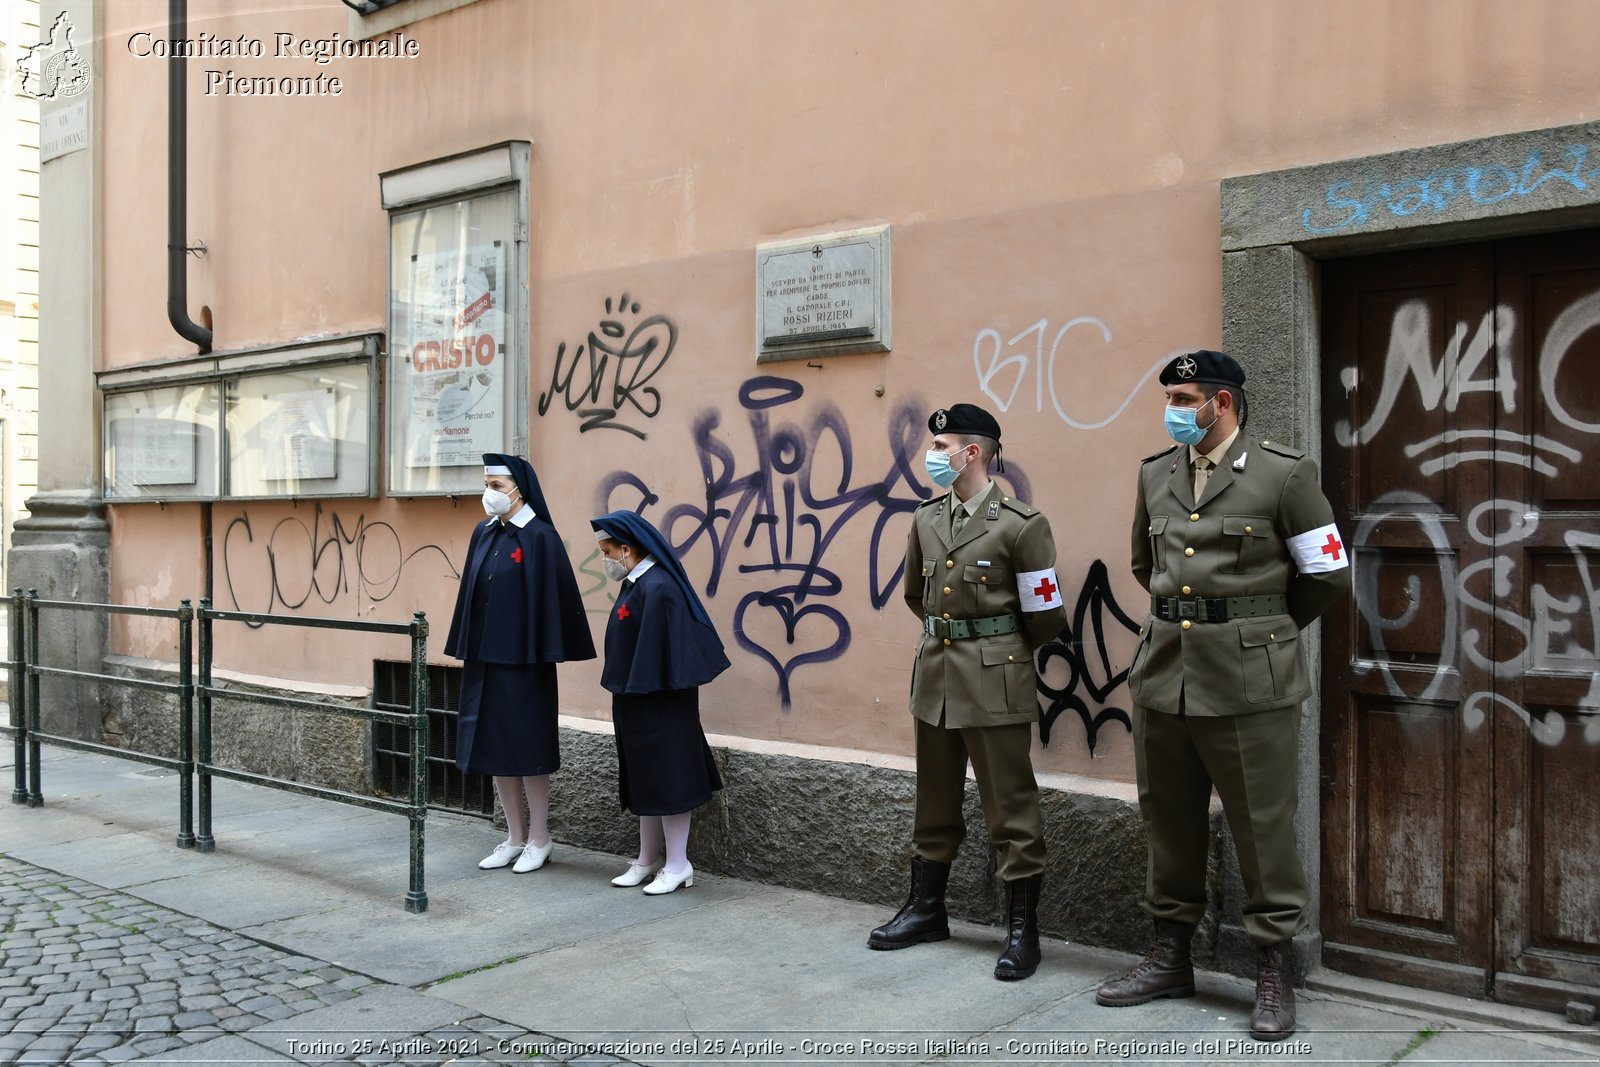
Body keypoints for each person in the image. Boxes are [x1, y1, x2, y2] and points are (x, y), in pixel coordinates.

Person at [1098, 350, 1351, 1040]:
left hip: (1250, 681)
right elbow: (1144, 564)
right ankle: (1170, 954)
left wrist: (1261, 632)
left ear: (1223, 404)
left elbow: (1327, 574)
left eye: (1184, 398)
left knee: (1263, 827)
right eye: (1173, 399)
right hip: (1165, 676)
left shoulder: (1283, 472)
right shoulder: (1157, 474)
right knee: (1169, 818)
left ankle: (1273, 968)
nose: (1174, 410)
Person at [868, 402, 1068, 981]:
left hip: (995, 677)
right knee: (934, 801)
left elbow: (1046, 614)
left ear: (972, 453)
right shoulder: (927, 519)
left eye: (942, 447)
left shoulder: (1021, 525)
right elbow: (914, 594)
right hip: (935, 674)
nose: (933, 457)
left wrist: (991, 646)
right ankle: (927, 908)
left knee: (1010, 807)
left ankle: (1022, 931)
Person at [444, 454, 596, 874]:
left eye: (496, 485)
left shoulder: (541, 537)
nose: (489, 493)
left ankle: (540, 838)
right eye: (487, 484)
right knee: (494, 747)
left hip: (525, 661)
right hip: (486, 658)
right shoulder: (483, 532)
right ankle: (514, 836)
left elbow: (555, 602)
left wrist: (539, 650)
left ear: (519, 488)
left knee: (528, 748)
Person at [590, 510, 730, 896]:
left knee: (669, 778)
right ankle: (647, 858)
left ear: (627, 549)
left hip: (661, 701)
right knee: (644, 776)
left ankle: (679, 863)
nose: (603, 559)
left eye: (606, 551)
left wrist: (640, 687)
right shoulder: (636, 584)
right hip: (635, 697)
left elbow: (664, 651)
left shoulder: (659, 587)